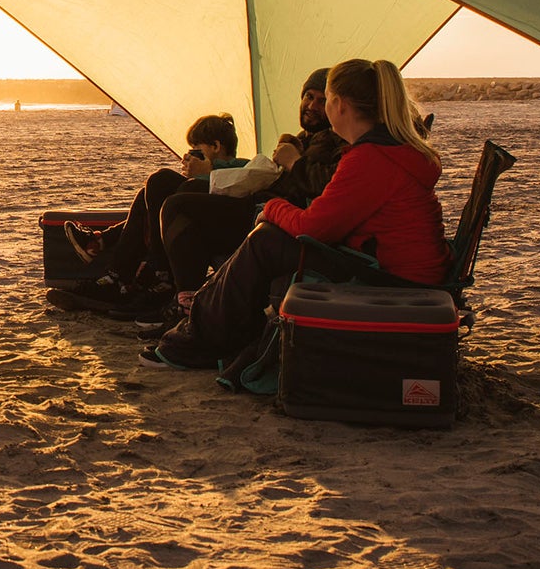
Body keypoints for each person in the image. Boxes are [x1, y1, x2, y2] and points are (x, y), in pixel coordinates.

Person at [145, 58, 447, 369]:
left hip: (391, 278)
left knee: (265, 242)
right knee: (269, 238)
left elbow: (314, 227)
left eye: (326, 98)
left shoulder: (371, 159)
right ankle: (210, 330)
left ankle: (199, 340)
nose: (320, 106)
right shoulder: (388, 150)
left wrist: (272, 208)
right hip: (392, 267)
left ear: (339, 105)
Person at [149, 68, 343, 323]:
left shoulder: (337, 140)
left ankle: (188, 306)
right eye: (308, 97)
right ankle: (160, 282)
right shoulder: (302, 139)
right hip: (260, 204)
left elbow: (328, 186)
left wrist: (294, 162)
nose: (312, 106)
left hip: (271, 217)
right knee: (166, 183)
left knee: (180, 205)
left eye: (321, 100)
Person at [50, 112, 243, 315]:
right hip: (192, 223)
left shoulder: (243, 168)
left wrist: (206, 173)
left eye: (196, 150)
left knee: (161, 180)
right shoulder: (209, 174)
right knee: (148, 193)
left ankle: (150, 271)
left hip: (216, 228)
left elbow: (227, 190)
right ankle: (116, 275)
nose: (190, 155)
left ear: (215, 146)